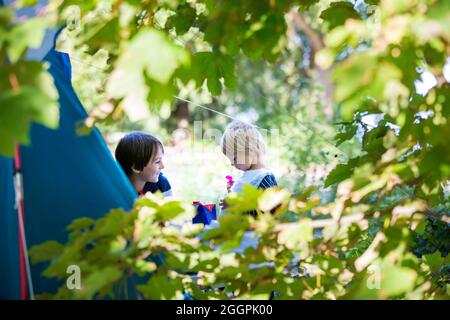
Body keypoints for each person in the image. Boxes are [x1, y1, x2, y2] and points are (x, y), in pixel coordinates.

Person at [220, 120, 277, 215]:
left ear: (249, 149)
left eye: (234, 158)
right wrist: (232, 193)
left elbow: (269, 211)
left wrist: (235, 204)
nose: (232, 164)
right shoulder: (249, 175)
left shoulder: (264, 177)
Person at [115, 132, 172, 197]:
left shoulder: (162, 184)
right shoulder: (117, 190)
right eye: (157, 161)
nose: (162, 166)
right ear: (136, 167)